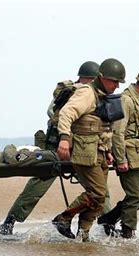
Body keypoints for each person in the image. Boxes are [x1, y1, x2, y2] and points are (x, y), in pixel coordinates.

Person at [0, 61, 101, 235]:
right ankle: (9, 223)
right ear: (89, 78)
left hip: (81, 150)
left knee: (98, 190)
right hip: (57, 149)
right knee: (36, 188)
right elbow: (54, 114)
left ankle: (107, 223)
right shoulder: (71, 92)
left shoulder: (90, 95)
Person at [52, 58, 126, 242]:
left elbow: (101, 127)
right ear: (101, 77)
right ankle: (63, 218)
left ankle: (83, 235)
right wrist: (64, 138)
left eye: (119, 82)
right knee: (98, 193)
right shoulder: (87, 93)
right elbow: (67, 113)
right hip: (84, 152)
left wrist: (107, 150)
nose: (117, 86)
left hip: (98, 151)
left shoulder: (101, 94)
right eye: (114, 81)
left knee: (99, 199)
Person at [98, 65, 139, 239]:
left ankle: (109, 218)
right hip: (127, 154)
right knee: (135, 196)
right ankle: (128, 232)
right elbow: (118, 132)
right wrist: (120, 159)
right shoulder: (126, 100)